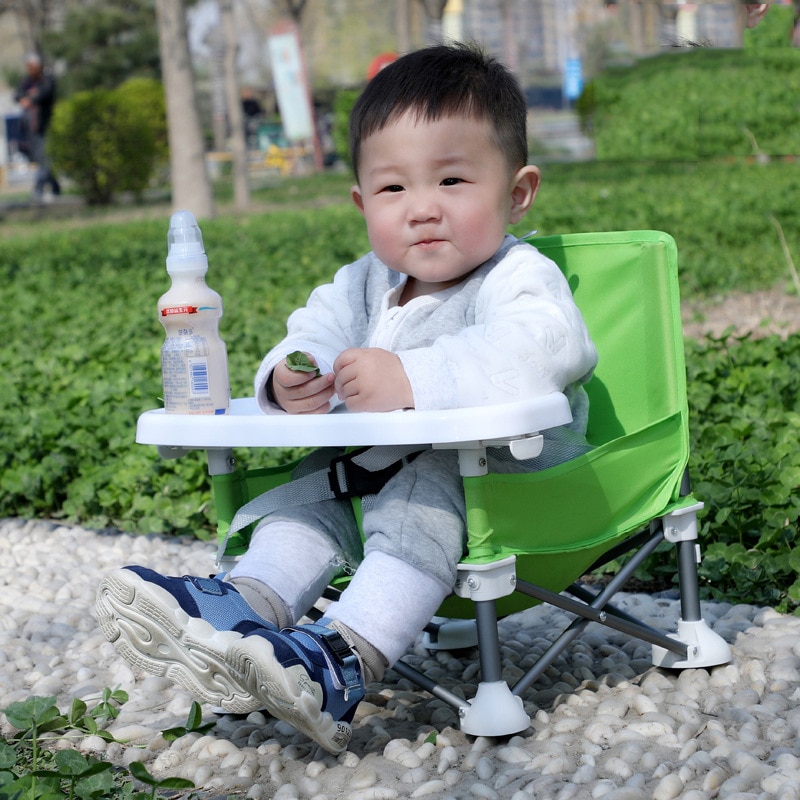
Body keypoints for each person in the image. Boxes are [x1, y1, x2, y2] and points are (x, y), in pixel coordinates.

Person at [96, 43, 599, 754]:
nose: (422, 209)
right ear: (363, 203)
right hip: (375, 475)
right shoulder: (360, 282)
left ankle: (339, 660)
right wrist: (290, 376)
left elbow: (545, 348)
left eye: (452, 180)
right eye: (394, 190)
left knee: (420, 488)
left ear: (516, 193)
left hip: (508, 486)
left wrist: (413, 378)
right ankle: (245, 614)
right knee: (312, 491)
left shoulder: (518, 278)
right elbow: (314, 334)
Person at [14, 52, 60, 201]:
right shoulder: (27, 81)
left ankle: (38, 189)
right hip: (30, 128)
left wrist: (31, 97)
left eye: (31, 66)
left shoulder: (47, 80)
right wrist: (28, 96)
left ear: (38, 66)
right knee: (40, 158)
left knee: (44, 157)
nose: (29, 69)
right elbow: (17, 95)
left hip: (44, 125)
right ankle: (55, 187)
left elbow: (43, 95)